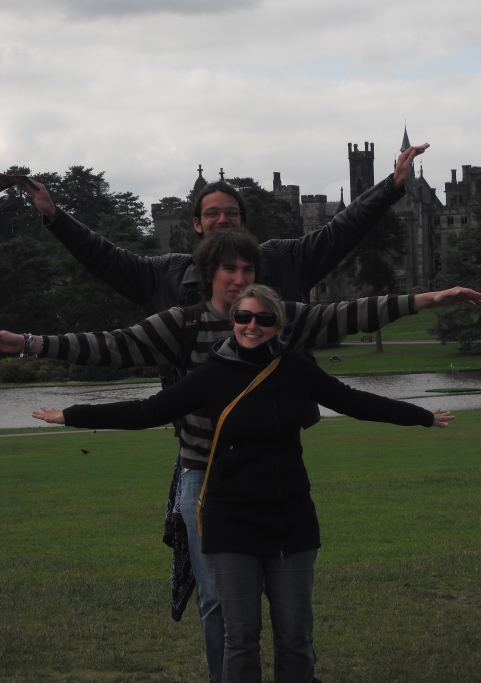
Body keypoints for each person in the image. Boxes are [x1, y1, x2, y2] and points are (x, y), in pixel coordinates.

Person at [15, 144, 427, 683]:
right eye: (211, 214)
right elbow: (105, 272)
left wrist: (391, 188)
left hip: (273, 459)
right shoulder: (167, 281)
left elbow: (341, 237)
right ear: (195, 225)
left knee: (287, 614)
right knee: (221, 606)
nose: (222, 221)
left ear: (246, 226)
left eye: (232, 214)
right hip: (201, 465)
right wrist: (54, 217)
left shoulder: (281, 264)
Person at [30, 283, 454, 683]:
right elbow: (147, 411)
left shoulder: (295, 368)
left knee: (296, 638)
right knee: (241, 640)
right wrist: (72, 415)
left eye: (264, 319)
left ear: (278, 325)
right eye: (244, 317)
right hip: (230, 521)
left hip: (290, 518)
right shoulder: (211, 374)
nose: (252, 326)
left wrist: (420, 416)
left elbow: (354, 402)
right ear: (233, 319)